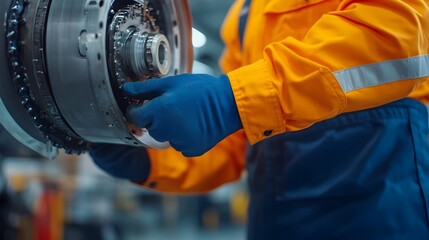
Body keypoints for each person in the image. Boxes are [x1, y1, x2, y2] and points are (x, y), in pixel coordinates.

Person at [90, 0, 429, 239]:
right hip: (277, 223)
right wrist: (149, 160)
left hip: (382, 216)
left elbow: (401, 37)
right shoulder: (247, 14)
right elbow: (233, 145)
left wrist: (233, 100)